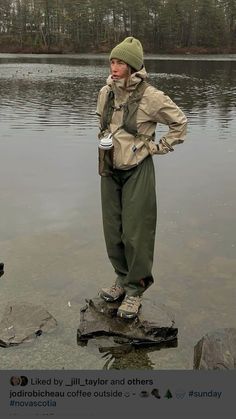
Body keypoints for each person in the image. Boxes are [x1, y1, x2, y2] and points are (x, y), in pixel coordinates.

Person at [96, 37, 187, 319]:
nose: (114, 67)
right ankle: (122, 279)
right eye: (112, 61)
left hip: (138, 169)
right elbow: (103, 124)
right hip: (109, 168)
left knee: (136, 233)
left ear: (133, 66)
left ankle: (135, 291)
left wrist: (156, 148)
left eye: (120, 62)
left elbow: (179, 123)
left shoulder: (151, 96)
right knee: (113, 231)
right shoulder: (105, 92)